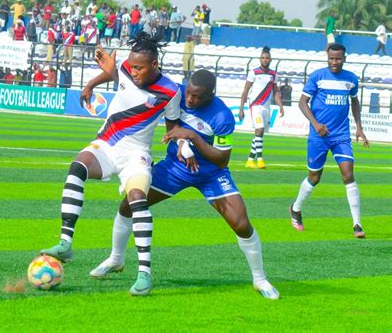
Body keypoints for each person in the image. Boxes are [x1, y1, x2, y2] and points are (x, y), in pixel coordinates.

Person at [89, 69, 280, 300]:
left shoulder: (222, 116)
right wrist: (181, 142)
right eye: (189, 93)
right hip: (175, 168)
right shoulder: (176, 94)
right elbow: (168, 119)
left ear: (211, 95)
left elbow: (222, 159)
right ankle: (116, 259)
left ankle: (259, 279)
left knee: (241, 224)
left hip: (211, 174)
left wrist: (193, 138)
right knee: (129, 204)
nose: (190, 99)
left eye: (197, 96)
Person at [40, 32, 182, 296]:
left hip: (136, 154)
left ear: (154, 65)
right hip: (107, 143)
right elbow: (118, 75)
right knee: (77, 167)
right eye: (132, 66)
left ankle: (144, 274)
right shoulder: (128, 67)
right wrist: (91, 83)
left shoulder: (172, 91)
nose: (133, 70)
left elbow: (173, 124)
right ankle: (65, 242)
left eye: (140, 67)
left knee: (137, 199)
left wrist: (181, 145)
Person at [289, 43, 369, 238]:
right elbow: (302, 102)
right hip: (319, 136)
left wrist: (359, 127)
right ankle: (296, 209)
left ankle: (357, 225)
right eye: (331, 58)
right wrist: (316, 124)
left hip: (341, 135)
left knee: (348, 175)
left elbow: (354, 101)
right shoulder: (318, 76)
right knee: (314, 178)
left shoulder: (351, 79)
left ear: (344, 58)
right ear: (327, 57)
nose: (334, 62)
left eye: (338, 58)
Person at [239, 46, 284, 169]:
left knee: (260, 134)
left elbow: (275, 92)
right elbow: (245, 91)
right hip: (255, 106)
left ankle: (249, 160)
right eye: (263, 58)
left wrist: (280, 105)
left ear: (270, 59)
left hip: (266, 107)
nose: (265, 60)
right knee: (259, 130)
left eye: (267, 58)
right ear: (260, 59)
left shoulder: (273, 75)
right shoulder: (253, 72)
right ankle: (260, 160)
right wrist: (241, 108)